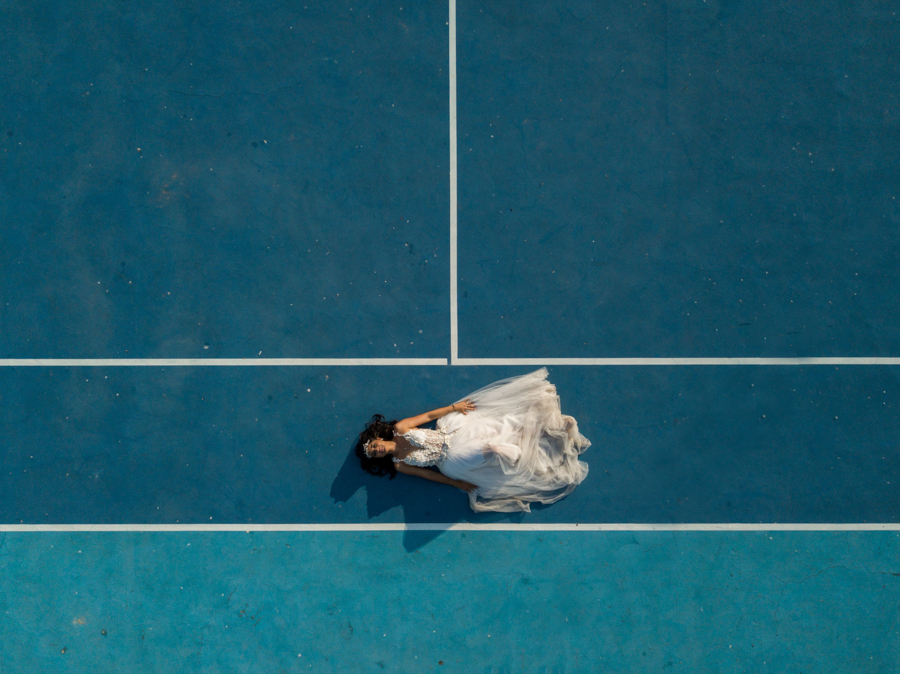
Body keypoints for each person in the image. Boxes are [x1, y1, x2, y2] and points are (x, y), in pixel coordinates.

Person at [357, 367, 590, 512]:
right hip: (453, 461)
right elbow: (428, 474)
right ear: (378, 457)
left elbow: (427, 416)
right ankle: (524, 458)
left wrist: (453, 407)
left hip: (454, 432)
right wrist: (458, 483)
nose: (377, 450)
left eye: (373, 446)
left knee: (506, 426)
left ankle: (551, 434)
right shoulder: (399, 465)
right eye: (374, 453)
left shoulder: (400, 428)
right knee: (494, 448)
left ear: (377, 438)